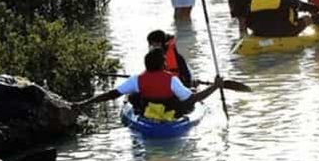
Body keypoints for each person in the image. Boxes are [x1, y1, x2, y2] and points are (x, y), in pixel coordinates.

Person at [73, 48, 222, 120]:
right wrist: (214, 87)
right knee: (186, 99)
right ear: (161, 64)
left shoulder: (137, 79)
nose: (166, 62)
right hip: (171, 115)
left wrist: (85, 102)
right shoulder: (172, 80)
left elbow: (112, 94)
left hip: (148, 113)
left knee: (133, 96)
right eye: (164, 61)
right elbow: (192, 99)